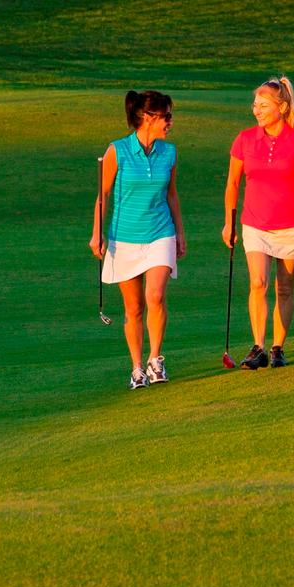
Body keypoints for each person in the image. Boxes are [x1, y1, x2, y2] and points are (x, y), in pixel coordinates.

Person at [222, 77, 294, 370]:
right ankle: (258, 347)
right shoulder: (244, 139)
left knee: (285, 289)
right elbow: (232, 184)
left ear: (282, 107)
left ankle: (278, 348)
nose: (257, 110)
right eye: (255, 104)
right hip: (255, 222)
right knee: (258, 282)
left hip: (292, 223)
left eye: (264, 105)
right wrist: (229, 222)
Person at [90, 90, 185, 389]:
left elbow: (171, 194)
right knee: (133, 309)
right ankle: (136, 367)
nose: (170, 122)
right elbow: (103, 195)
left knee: (155, 295)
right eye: (165, 116)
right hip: (124, 239)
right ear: (148, 117)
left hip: (160, 233)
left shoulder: (169, 153)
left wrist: (180, 232)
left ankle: (156, 360)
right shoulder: (117, 150)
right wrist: (97, 233)